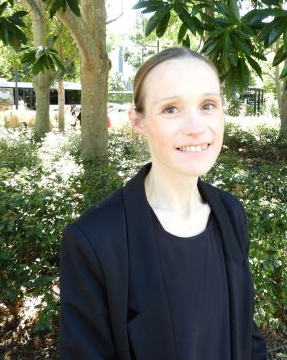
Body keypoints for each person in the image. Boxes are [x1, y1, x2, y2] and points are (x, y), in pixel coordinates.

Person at [59, 47, 268, 360]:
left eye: (208, 105)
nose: (196, 127)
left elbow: (246, 335)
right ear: (138, 121)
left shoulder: (231, 212)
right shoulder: (94, 240)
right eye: (171, 109)